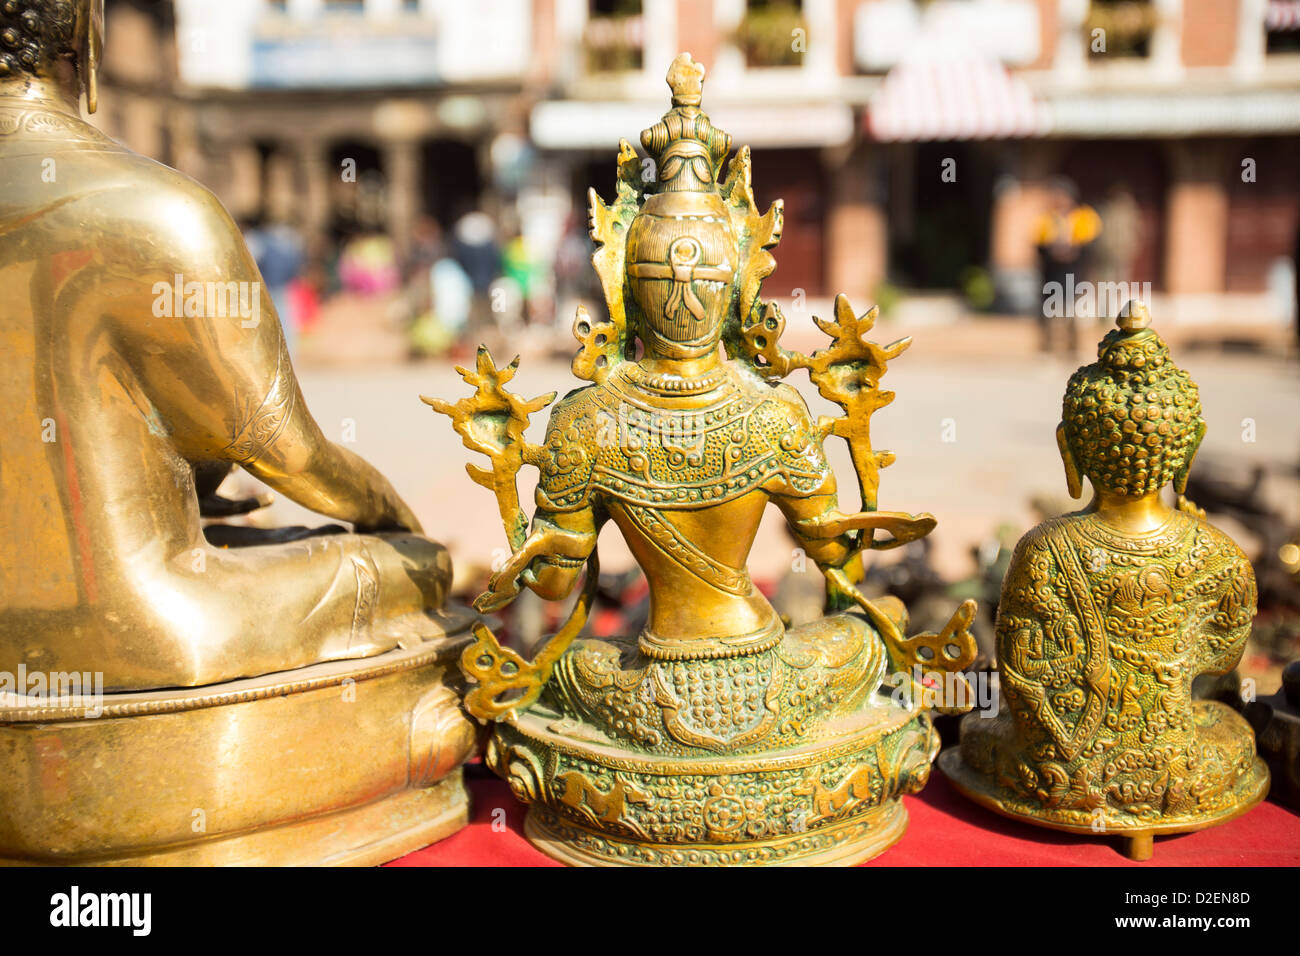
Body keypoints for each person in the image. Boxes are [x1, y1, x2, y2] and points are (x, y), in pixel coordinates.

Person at [1033, 177, 1101, 354]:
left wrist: (1073, 252)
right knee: (1051, 314)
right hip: (1052, 273)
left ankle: (1073, 350)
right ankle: (1049, 349)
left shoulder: (1084, 216)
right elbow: (1038, 244)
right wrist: (1053, 252)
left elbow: (1092, 245)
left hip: (1077, 273)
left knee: (1075, 313)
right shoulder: (1047, 218)